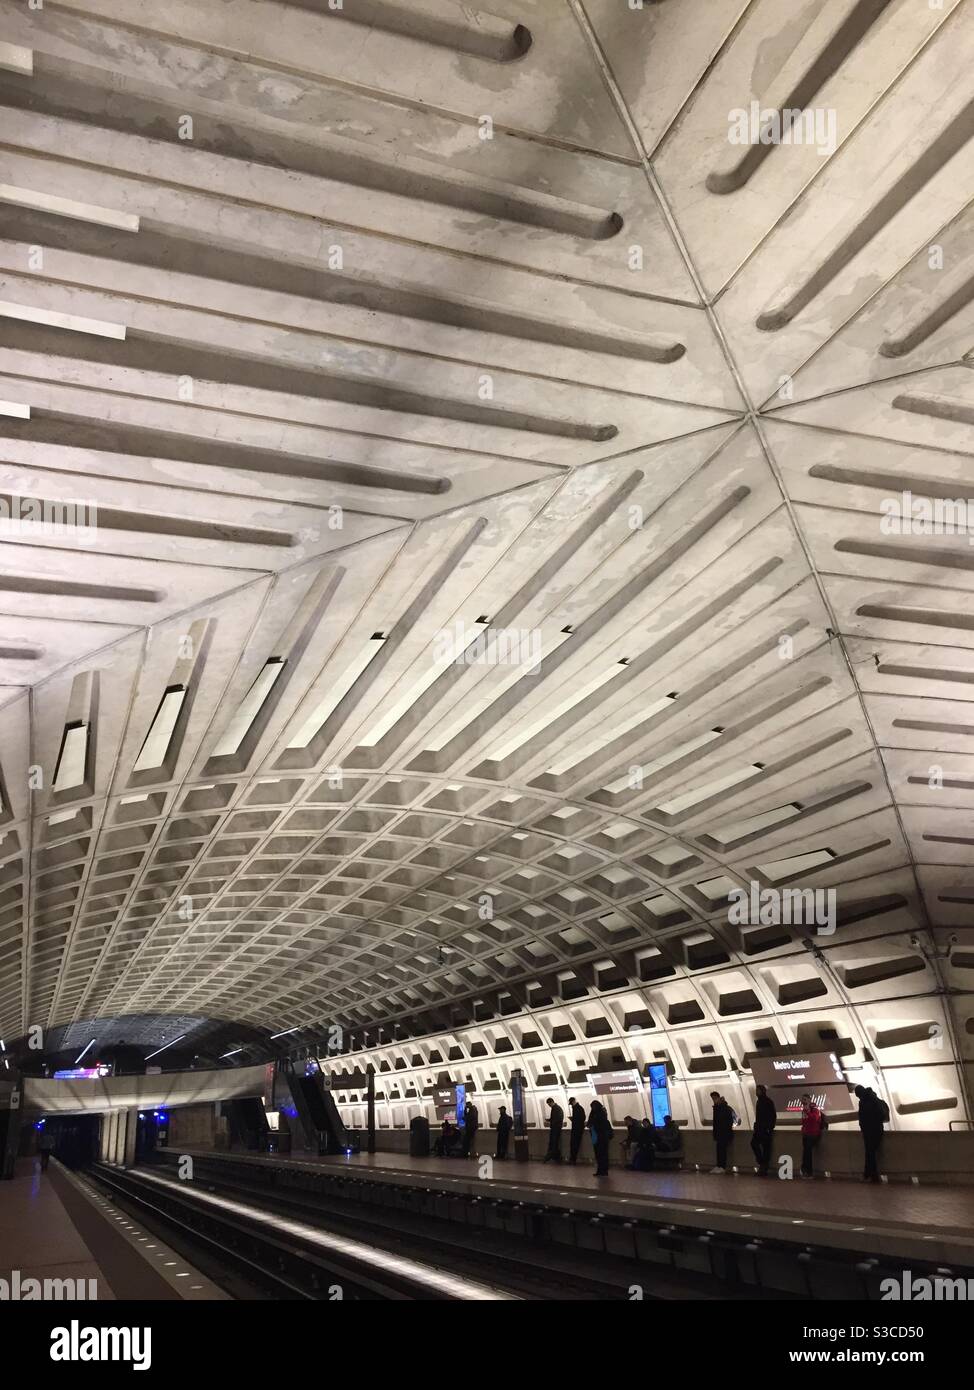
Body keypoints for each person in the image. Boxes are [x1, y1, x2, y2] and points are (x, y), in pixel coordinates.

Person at [855, 1085, 887, 1183]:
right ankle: (870, 1175)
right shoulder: (874, 1098)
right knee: (870, 1153)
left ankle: (871, 1176)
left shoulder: (864, 1102)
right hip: (877, 1129)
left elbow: (863, 1117)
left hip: (870, 1131)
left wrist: (864, 1127)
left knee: (870, 1153)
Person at [751, 1084, 777, 1176]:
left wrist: (769, 1128)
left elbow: (773, 1116)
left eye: (758, 1090)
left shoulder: (768, 1102)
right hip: (759, 1128)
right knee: (755, 1144)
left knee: (766, 1148)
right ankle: (762, 1164)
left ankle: (763, 1167)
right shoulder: (759, 1102)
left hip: (765, 1129)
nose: (756, 1092)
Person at [799, 1093, 824, 1178]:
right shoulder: (803, 1111)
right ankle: (805, 1170)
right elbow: (804, 1122)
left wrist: (808, 1112)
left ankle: (808, 1171)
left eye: (805, 1100)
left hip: (813, 1134)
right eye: (802, 1100)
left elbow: (815, 1119)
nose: (803, 1102)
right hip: (806, 1134)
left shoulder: (815, 1110)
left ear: (809, 1100)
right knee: (805, 1152)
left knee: (807, 1152)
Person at [710, 1092, 734, 1173]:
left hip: (724, 1133)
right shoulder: (717, 1108)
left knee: (722, 1150)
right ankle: (719, 1165)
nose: (713, 1100)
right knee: (719, 1149)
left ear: (718, 1098)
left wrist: (724, 1131)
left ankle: (722, 1166)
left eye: (714, 1098)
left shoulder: (724, 1108)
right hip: (719, 1133)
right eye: (712, 1099)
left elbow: (727, 1121)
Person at [589, 1100, 613, 1177]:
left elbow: (599, 1124)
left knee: (602, 1154)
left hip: (600, 1136)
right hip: (597, 1136)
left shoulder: (600, 1113)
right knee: (599, 1154)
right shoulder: (599, 1113)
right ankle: (601, 1170)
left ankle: (603, 1170)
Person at [544, 1097, 564, 1162]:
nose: (549, 1106)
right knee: (554, 1143)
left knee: (554, 1143)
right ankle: (557, 1157)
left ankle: (552, 1157)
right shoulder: (556, 1108)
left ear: (552, 1102)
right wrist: (549, 1120)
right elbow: (555, 1118)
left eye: (549, 1104)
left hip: (556, 1128)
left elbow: (557, 1119)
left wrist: (551, 1121)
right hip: (556, 1128)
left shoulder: (556, 1108)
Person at [568, 1097, 586, 1164]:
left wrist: (573, 1119)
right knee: (574, 1144)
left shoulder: (577, 1108)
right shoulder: (578, 1108)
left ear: (573, 1102)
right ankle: (572, 1159)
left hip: (577, 1129)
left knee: (574, 1144)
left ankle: (573, 1159)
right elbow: (582, 1118)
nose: (571, 1105)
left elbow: (581, 1118)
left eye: (571, 1103)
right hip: (578, 1128)